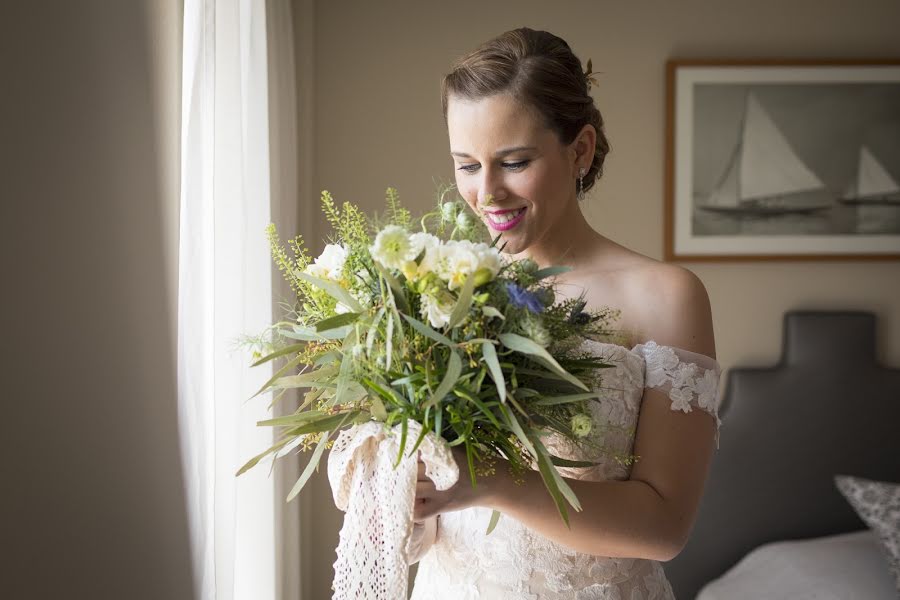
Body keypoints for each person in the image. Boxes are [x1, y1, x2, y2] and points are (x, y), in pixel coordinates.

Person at [408, 27, 721, 599]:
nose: (487, 193)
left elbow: (664, 527)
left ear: (580, 148)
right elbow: (424, 507)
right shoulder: (435, 292)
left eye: (514, 161)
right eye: (467, 166)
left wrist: (492, 481)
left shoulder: (666, 296)